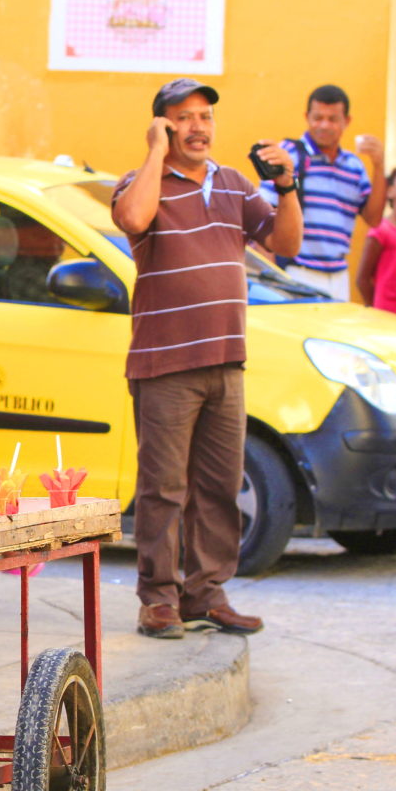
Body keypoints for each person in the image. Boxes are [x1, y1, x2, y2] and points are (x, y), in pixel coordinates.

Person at [110, 78, 302, 640]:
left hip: (226, 361)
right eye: (184, 118)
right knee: (163, 488)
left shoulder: (235, 185)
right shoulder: (139, 182)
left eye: (206, 117)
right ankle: (159, 600)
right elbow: (132, 220)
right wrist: (153, 152)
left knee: (218, 486)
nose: (198, 127)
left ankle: (206, 594)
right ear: (163, 125)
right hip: (164, 365)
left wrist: (286, 184)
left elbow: (285, 244)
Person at [258, 84, 387, 299]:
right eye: (318, 118)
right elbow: (263, 219)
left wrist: (380, 166)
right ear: (307, 117)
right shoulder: (288, 155)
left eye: (332, 119)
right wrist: (273, 280)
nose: (324, 125)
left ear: (347, 121)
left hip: (338, 277)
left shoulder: (354, 166)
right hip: (296, 274)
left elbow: (373, 219)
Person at [355, 171, 396, 312]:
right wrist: (376, 308)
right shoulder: (381, 231)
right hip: (385, 311)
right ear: (389, 191)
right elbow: (362, 279)